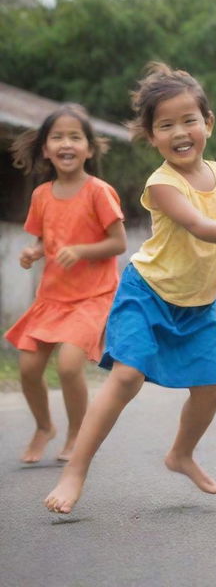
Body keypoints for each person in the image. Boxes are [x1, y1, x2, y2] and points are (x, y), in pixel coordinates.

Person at [44, 62, 216, 514]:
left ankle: (181, 453)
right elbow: (201, 226)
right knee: (127, 375)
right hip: (146, 293)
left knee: (212, 385)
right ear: (151, 136)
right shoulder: (162, 182)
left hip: (198, 306)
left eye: (189, 120)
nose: (180, 132)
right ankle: (75, 470)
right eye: (166, 125)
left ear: (208, 122)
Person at [4, 105, 126, 464]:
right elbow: (48, 240)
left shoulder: (99, 192)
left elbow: (118, 243)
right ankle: (45, 427)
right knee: (27, 367)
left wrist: (84, 251)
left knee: (70, 365)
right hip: (52, 297)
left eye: (75, 136)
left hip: (93, 296)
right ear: (45, 149)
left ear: (89, 148)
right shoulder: (41, 195)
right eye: (57, 137)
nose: (66, 143)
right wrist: (33, 252)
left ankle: (77, 432)